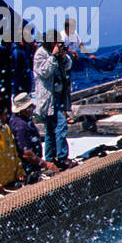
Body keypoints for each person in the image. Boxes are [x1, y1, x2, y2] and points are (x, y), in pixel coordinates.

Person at [33, 30, 73, 168]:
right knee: (60, 125)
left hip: (58, 96)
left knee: (50, 129)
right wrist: (54, 57)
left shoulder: (56, 52)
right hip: (48, 98)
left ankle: (50, 158)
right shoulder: (40, 54)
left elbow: (68, 66)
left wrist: (63, 56)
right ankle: (62, 157)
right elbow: (44, 72)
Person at [9, 92, 54, 180]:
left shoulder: (19, 118)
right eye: (30, 107)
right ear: (23, 110)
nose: (33, 108)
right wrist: (45, 164)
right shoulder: (21, 126)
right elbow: (27, 154)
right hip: (28, 168)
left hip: (33, 164)